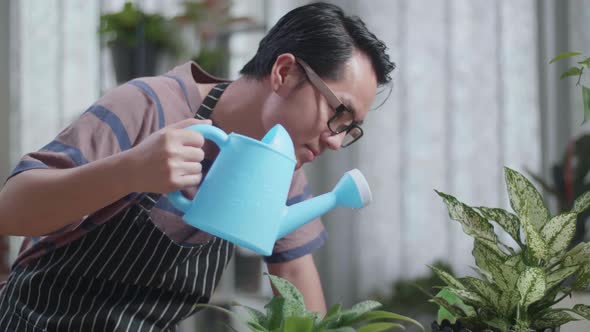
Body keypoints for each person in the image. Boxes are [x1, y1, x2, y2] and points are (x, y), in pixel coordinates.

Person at [0, 2, 395, 331]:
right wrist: (131, 171)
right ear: (284, 72)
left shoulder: (283, 165)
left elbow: (294, 285)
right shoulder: (148, 106)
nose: (336, 140)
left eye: (350, 129)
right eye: (337, 113)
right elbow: (11, 210)